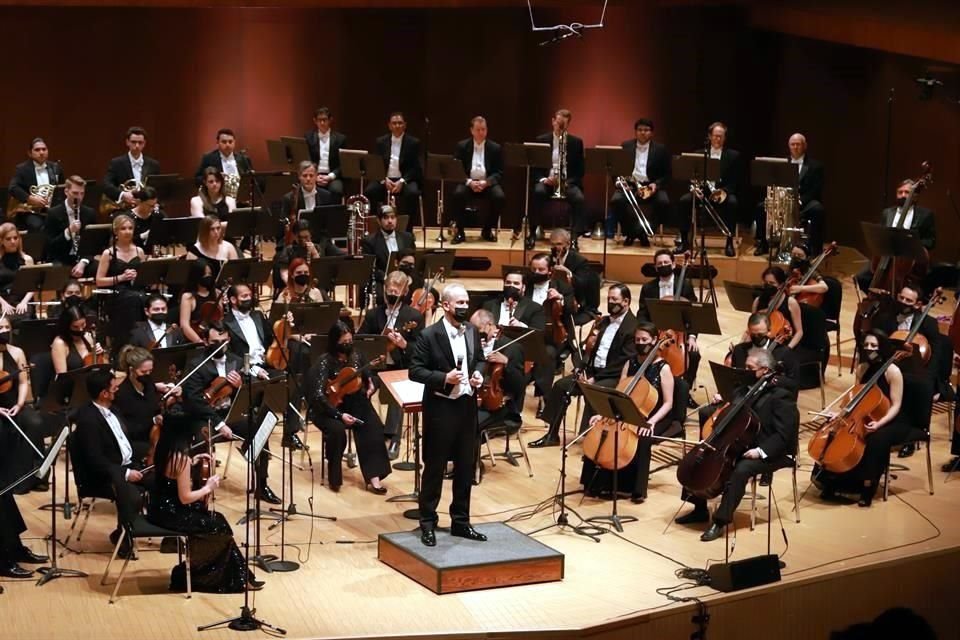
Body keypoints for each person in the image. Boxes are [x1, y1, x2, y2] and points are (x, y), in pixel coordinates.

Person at [675, 348, 798, 541]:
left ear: (764, 370)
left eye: (750, 367)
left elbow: (784, 435)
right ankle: (698, 509)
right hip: (742, 443)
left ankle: (720, 521)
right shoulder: (743, 389)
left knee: (741, 469)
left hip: (771, 450)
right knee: (701, 455)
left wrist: (760, 451)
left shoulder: (781, 396)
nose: (745, 370)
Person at [147, 410, 260, 593]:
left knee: (218, 521)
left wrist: (193, 461)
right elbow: (185, 498)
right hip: (172, 512)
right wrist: (208, 487)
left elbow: (171, 475)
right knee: (219, 526)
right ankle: (206, 576)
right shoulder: (180, 458)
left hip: (158, 507)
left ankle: (240, 576)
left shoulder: (164, 447)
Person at [410, 283, 486, 547]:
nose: (465, 307)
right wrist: (444, 378)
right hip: (441, 408)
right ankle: (428, 523)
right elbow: (415, 371)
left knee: (465, 466)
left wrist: (478, 375)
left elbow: (480, 360)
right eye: (460, 303)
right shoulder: (429, 335)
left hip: (466, 407)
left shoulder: (473, 331)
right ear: (446, 305)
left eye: (467, 302)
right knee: (434, 467)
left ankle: (461, 522)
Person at [181, 322, 281, 505]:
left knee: (259, 431)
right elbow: (194, 400)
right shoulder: (197, 364)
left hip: (230, 413)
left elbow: (247, 395)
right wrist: (219, 424)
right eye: (214, 341)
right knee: (201, 439)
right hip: (204, 418)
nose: (219, 345)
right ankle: (199, 490)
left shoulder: (235, 361)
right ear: (204, 341)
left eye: (223, 341)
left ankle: (261, 485)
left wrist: (239, 387)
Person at [581, 322, 678, 503]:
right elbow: (620, 394)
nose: (640, 343)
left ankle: (635, 489)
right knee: (600, 430)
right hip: (627, 413)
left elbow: (668, 403)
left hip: (653, 415)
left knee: (643, 438)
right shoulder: (630, 362)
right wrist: (604, 415)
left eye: (644, 340)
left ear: (655, 340)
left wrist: (652, 422)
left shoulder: (663, 368)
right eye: (637, 340)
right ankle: (595, 483)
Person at [813, 331, 910, 507]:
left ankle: (867, 488)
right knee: (836, 434)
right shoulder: (862, 368)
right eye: (866, 345)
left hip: (888, 418)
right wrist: (841, 414)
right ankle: (832, 482)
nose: (869, 349)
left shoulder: (893, 372)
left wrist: (879, 423)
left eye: (873, 346)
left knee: (875, 440)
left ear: (882, 347)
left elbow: (896, 405)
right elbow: (855, 398)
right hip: (861, 416)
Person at [533, 284, 638, 447]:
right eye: (609, 299)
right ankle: (552, 434)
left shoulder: (632, 327)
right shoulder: (602, 322)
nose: (610, 302)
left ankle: (594, 441)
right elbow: (589, 349)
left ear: (626, 301)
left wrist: (594, 379)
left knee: (595, 392)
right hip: (591, 372)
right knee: (561, 386)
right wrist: (580, 368)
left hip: (614, 376)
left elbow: (624, 361)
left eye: (615, 300)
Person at [306, 321, 391, 494]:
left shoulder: (357, 355)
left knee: (373, 427)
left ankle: (374, 478)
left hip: (355, 402)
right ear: (334, 342)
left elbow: (370, 376)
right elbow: (318, 395)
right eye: (344, 342)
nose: (348, 345)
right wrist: (338, 415)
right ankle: (335, 477)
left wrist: (371, 385)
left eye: (350, 340)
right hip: (327, 407)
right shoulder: (324, 362)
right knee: (337, 432)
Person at [72, 369, 147, 556]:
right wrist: (126, 474)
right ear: (103, 394)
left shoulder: (113, 410)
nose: (117, 391)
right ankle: (123, 540)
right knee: (132, 497)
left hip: (125, 466)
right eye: (114, 389)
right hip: (101, 476)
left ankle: (169, 536)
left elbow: (126, 438)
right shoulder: (88, 420)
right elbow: (95, 461)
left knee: (163, 479)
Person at [222, 282, 304, 449]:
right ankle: (256, 440)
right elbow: (230, 356)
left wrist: (285, 323)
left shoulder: (258, 315)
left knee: (293, 383)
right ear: (232, 299)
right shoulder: (225, 323)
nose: (249, 298)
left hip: (266, 363)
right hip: (245, 369)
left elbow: (273, 337)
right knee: (260, 389)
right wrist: (252, 368)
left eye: (249, 295)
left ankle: (290, 433)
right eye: (244, 296)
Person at [359, 270, 423, 458]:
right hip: (376, 367)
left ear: (404, 292)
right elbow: (360, 340)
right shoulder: (373, 315)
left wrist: (403, 344)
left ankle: (394, 440)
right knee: (362, 390)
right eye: (389, 290)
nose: (392, 294)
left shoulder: (414, 317)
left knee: (398, 393)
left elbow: (420, 350)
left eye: (396, 291)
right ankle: (373, 431)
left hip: (399, 366)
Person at [855, 178, 937, 293]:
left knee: (902, 285)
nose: (903, 195)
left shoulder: (925, 215)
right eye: (900, 192)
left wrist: (912, 243)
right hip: (885, 256)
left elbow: (930, 241)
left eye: (907, 192)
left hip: (909, 261)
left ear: (915, 195)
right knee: (861, 278)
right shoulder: (887, 213)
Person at [639, 249, 702, 392]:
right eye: (659, 263)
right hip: (656, 332)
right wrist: (647, 332)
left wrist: (692, 337)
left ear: (673, 264)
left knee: (693, 355)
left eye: (666, 262)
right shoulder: (648, 288)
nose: (663, 265)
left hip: (680, 335)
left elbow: (694, 313)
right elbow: (642, 313)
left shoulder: (685, 285)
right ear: (655, 267)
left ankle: (685, 391)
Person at [754, 133, 826, 256]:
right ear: (789, 146)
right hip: (783, 201)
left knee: (818, 209)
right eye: (793, 144)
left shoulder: (816, 166)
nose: (795, 147)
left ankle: (813, 247)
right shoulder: (782, 163)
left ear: (805, 146)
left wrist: (799, 201)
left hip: (803, 202)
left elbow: (815, 190)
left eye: (798, 144)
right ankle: (763, 244)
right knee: (761, 206)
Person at [676, 122, 741, 256]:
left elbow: (735, 181)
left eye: (721, 136)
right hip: (703, 192)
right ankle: (684, 241)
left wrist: (724, 192)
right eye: (715, 136)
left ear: (725, 138)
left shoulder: (733, 156)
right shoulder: (699, 154)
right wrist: (693, 188)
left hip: (722, 192)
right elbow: (691, 177)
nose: (718, 139)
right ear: (710, 137)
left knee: (733, 203)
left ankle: (729, 242)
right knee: (683, 201)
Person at [0, 314, 47, 494]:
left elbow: (22, 382)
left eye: (6, 327)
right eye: (0, 328)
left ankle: (34, 476)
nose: (4, 331)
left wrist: (19, 404)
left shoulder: (17, 352)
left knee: (35, 423)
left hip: (14, 405)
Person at [526, 109, 586, 248]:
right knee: (538, 192)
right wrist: (544, 179)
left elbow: (580, 171)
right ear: (553, 121)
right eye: (558, 123)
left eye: (563, 125)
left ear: (568, 125)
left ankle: (574, 238)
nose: (559, 127)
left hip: (567, 183)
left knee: (579, 198)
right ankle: (532, 234)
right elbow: (535, 168)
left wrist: (566, 182)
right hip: (547, 181)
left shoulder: (576, 143)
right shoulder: (542, 140)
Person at [611, 119, 671, 247]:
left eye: (646, 130)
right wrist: (619, 183)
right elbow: (615, 169)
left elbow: (667, 174)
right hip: (630, 185)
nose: (643, 133)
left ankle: (643, 232)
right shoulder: (625, 146)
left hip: (651, 185)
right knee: (616, 201)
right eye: (640, 130)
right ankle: (630, 232)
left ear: (652, 133)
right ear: (635, 132)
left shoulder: (661, 149)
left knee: (663, 202)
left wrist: (657, 184)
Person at [112, 346, 180, 455]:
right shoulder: (122, 394)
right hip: (136, 441)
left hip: (155, 433)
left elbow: (155, 408)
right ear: (131, 370)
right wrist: (153, 421)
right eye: (143, 372)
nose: (148, 375)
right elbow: (127, 429)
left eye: (150, 371)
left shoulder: (148, 383)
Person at [94, 214, 147, 351]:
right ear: (116, 232)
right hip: (116, 293)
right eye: (123, 228)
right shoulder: (109, 253)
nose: (128, 231)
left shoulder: (139, 251)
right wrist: (121, 278)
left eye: (130, 228)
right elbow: (99, 281)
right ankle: (125, 344)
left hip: (136, 291)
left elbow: (144, 277)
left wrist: (138, 277)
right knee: (133, 300)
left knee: (145, 299)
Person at [451, 116, 505, 243]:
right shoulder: (462, 146)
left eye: (483, 129)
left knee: (499, 197)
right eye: (478, 130)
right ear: (472, 130)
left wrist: (487, 182)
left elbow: (499, 172)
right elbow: (456, 169)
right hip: (468, 182)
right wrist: (469, 182)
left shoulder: (495, 148)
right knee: (457, 194)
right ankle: (459, 231)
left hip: (487, 183)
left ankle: (487, 229)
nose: (481, 133)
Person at [471, 309, 526, 426]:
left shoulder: (512, 347)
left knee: (469, 425)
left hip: (498, 404)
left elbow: (519, 385)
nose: (475, 335)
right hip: (473, 396)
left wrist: (507, 362)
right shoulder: (475, 344)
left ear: (490, 325)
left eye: (478, 331)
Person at [365, 111, 423, 216]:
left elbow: (416, 168)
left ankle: (408, 229)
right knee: (370, 191)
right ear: (389, 126)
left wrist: (402, 181)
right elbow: (376, 164)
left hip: (405, 179)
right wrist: (384, 179)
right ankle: (375, 224)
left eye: (400, 123)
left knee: (413, 193)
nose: (397, 126)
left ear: (405, 125)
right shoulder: (381, 141)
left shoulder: (413, 143)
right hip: (385, 178)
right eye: (394, 123)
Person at [7, 137, 64, 232]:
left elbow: (62, 189)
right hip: (30, 212)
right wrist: (30, 199)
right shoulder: (22, 169)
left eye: (44, 149)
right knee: (39, 227)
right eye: (37, 150)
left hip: (52, 211)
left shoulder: (55, 168)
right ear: (30, 153)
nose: (41, 152)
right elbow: (13, 188)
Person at [360, 205, 416, 301]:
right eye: (386, 218)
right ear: (378, 220)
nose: (390, 221)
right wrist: (387, 277)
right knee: (382, 297)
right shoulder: (369, 241)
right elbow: (369, 268)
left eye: (392, 217)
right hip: (382, 280)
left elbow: (413, 259)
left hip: (406, 277)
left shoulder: (407, 237)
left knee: (429, 293)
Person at [45, 175, 97, 276]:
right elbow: (50, 246)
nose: (79, 197)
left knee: (99, 267)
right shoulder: (53, 213)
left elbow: (92, 245)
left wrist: (83, 262)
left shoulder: (89, 213)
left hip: (82, 258)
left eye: (82, 193)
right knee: (57, 271)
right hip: (62, 258)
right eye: (75, 193)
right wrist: (68, 231)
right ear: (66, 192)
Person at [102, 126, 161, 211]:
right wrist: (123, 195)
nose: (137, 146)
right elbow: (106, 185)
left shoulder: (153, 164)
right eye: (133, 142)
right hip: (125, 209)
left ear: (144, 144)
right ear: (127, 142)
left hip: (147, 208)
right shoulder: (117, 163)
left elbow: (158, 189)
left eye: (140, 142)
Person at [550, 228, 601, 318]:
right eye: (553, 244)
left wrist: (568, 273)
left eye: (559, 244)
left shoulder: (579, 261)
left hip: (576, 303)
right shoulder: (549, 259)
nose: (556, 248)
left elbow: (583, 284)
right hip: (555, 299)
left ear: (568, 244)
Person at [304, 107, 347, 203]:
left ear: (330, 120)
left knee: (336, 190)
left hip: (333, 176)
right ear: (315, 121)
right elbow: (307, 160)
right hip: (313, 175)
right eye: (319, 120)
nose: (322, 123)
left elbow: (343, 164)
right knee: (305, 186)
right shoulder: (308, 137)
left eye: (325, 120)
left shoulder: (341, 139)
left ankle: (333, 217)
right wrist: (315, 176)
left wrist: (330, 176)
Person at [51, 303, 105, 375]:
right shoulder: (59, 343)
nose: (80, 329)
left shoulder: (88, 336)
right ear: (67, 326)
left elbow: (96, 367)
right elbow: (62, 378)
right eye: (75, 327)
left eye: (83, 324)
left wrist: (99, 353)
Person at [185, 215, 240, 281]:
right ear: (205, 231)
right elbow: (191, 279)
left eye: (218, 228)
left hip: (225, 287)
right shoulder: (194, 251)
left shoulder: (228, 247)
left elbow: (236, 273)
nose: (216, 232)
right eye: (212, 229)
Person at [179, 258, 220, 344]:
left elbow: (220, 320)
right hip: (195, 340)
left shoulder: (217, 293)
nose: (207, 277)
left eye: (209, 274)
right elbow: (184, 325)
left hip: (215, 340)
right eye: (204, 274)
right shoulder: (188, 297)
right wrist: (199, 341)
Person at [0, 222, 36, 318]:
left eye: (15, 238)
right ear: (1, 241)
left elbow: (32, 286)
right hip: (3, 300)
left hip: (22, 300)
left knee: (23, 318)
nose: (13, 241)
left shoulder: (27, 259)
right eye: (8, 239)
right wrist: (3, 304)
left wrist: (24, 302)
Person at [127, 186, 163, 255]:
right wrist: (142, 236)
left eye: (154, 205)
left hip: (154, 255)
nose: (153, 208)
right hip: (133, 255)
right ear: (139, 202)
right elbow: (125, 241)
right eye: (150, 206)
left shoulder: (157, 215)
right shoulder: (128, 217)